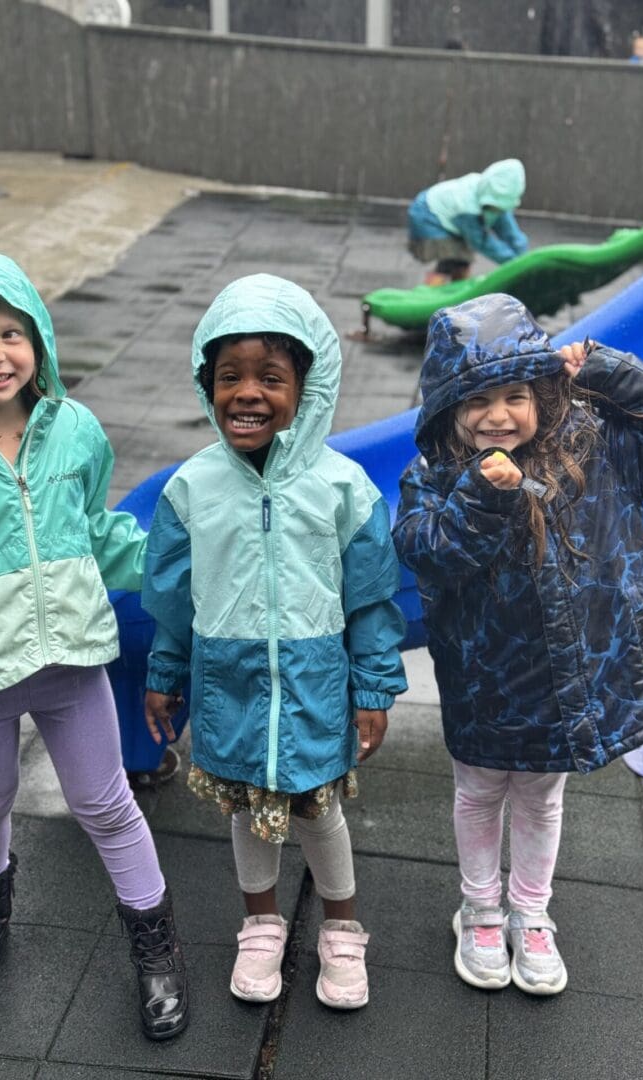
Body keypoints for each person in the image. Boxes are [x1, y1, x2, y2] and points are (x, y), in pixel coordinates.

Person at [0, 251, 188, 1040]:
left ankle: (155, 945)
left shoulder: (74, 431)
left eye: (11, 332)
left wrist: (171, 567)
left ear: (40, 340)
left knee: (106, 804)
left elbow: (97, 532)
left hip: (72, 663)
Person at [392, 293, 643, 996]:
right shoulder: (433, 476)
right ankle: (480, 906)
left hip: (565, 683)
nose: (498, 415)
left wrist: (610, 372)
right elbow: (424, 551)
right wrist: (482, 499)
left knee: (543, 798)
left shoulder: (596, 451)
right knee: (480, 793)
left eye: (516, 395)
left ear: (543, 395)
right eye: (477, 399)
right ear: (447, 410)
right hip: (486, 683)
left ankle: (531, 910)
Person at [142, 274, 407, 1010]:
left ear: (307, 387)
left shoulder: (342, 487)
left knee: (319, 809)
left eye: (270, 377)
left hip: (315, 680)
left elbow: (371, 598)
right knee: (243, 809)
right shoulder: (190, 488)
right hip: (228, 681)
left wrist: (374, 686)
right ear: (207, 386)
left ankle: (343, 928)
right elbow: (169, 597)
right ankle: (260, 922)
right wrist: (166, 669)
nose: (248, 393)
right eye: (229, 377)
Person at [406, 159, 529, 286]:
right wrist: (513, 263)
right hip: (428, 217)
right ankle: (429, 293)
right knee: (451, 260)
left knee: (461, 262)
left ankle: (457, 288)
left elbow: (509, 230)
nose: (495, 211)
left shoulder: (493, 195)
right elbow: (482, 242)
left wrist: (523, 256)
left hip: (446, 215)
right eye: (492, 208)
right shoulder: (467, 208)